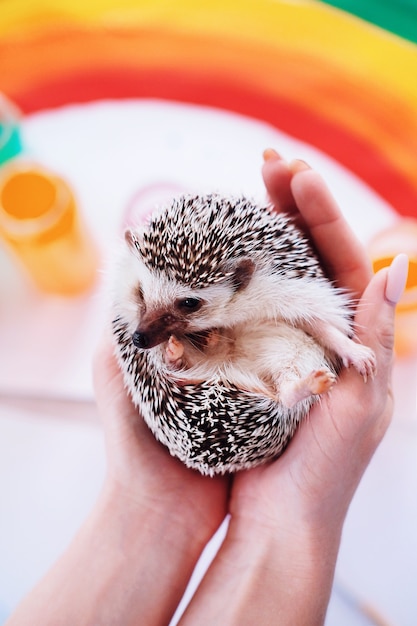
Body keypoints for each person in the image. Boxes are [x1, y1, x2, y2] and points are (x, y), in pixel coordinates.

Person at [6, 151, 408, 626]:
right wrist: (290, 528)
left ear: (242, 280)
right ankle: (230, 374)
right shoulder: (142, 291)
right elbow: (139, 334)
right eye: (141, 297)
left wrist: (344, 344)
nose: (147, 326)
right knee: (183, 350)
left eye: (188, 304)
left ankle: (287, 389)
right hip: (200, 372)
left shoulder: (271, 285)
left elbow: (317, 314)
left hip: (255, 366)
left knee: (288, 345)